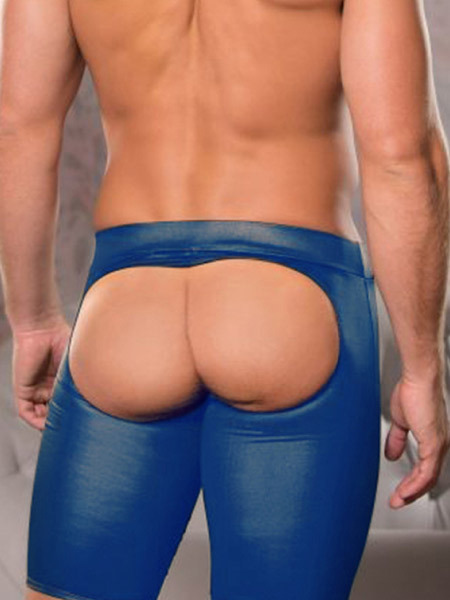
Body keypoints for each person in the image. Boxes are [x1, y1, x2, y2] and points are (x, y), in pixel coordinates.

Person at [0, 0, 449, 599]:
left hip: (128, 310)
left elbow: (18, 130)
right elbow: (402, 156)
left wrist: (32, 320)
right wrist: (421, 367)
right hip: (287, 306)